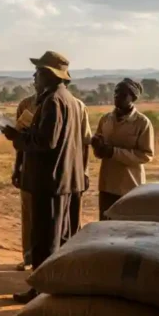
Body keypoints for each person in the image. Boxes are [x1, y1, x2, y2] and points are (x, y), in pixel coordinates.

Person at [2, 51, 85, 304]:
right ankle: (49, 288)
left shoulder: (52, 101)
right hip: (62, 180)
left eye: (37, 72)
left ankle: (40, 291)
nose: (33, 77)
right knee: (56, 237)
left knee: (44, 240)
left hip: (48, 182)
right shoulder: (67, 99)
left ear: (48, 75)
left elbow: (46, 142)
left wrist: (16, 137)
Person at [92, 78, 155, 220]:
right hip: (107, 184)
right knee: (105, 227)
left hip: (129, 185)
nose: (117, 96)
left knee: (125, 229)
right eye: (115, 92)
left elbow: (146, 155)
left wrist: (113, 152)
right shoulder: (106, 119)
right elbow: (99, 151)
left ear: (133, 97)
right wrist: (98, 147)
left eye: (122, 94)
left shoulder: (142, 122)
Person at [12, 92, 37, 271]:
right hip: (28, 166)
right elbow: (18, 140)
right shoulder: (26, 104)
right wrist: (17, 167)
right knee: (27, 213)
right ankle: (28, 257)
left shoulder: (62, 104)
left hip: (52, 171)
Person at [67, 97, 92, 242]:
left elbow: (86, 142)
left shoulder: (79, 106)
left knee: (73, 215)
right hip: (54, 173)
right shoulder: (33, 103)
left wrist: (84, 171)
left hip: (74, 170)